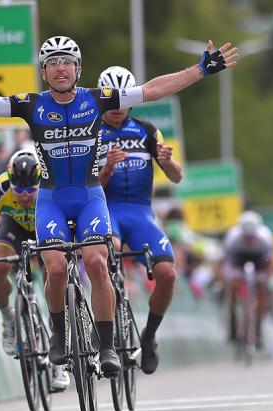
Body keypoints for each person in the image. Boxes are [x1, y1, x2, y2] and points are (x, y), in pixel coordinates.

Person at [0, 34, 238, 375]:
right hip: (50, 199)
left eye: (67, 61)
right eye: (52, 63)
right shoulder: (30, 105)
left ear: (78, 69)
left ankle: (108, 345)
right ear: (44, 71)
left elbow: (154, 89)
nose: (60, 68)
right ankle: (57, 332)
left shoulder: (99, 98)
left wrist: (202, 69)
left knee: (97, 262)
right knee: (53, 269)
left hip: (90, 197)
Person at [96, 66, 182, 374]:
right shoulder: (90, 132)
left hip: (141, 211)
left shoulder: (146, 130)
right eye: (112, 101)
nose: (118, 108)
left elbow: (176, 177)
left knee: (168, 274)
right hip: (106, 209)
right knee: (108, 250)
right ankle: (104, 320)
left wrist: (167, 161)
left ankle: (148, 335)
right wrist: (106, 169)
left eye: (124, 100)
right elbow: (87, 188)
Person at [0, 150, 70, 390]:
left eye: (30, 191)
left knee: (53, 275)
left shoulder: (51, 185)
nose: (24, 197)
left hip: (46, 224)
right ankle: (8, 318)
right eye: (19, 190)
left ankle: (59, 358)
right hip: (13, 225)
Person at [222, 211, 273, 348]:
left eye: (252, 237)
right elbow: (227, 262)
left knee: (262, 289)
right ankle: (233, 324)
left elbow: (269, 261)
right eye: (246, 237)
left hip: (260, 258)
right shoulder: (233, 238)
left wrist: (264, 276)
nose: (249, 240)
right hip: (238, 258)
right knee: (232, 285)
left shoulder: (266, 238)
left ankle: (258, 326)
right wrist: (231, 276)